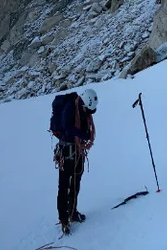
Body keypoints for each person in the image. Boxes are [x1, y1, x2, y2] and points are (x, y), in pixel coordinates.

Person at [51, 88, 98, 233]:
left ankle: (72, 212)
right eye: (88, 110)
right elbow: (67, 126)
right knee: (64, 185)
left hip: (76, 151)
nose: (89, 113)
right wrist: (83, 135)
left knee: (76, 182)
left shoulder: (82, 109)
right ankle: (64, 218)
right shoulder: (70, 107)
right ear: (84, 103)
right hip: (66, 151)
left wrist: (85, 135)